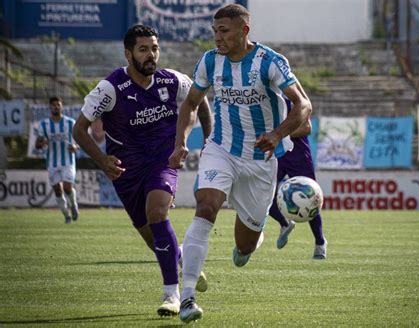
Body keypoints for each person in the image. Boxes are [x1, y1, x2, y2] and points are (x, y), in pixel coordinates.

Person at [168, 4, 312, 323]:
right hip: (221, 149)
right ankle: (186, 296)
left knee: (244, 247)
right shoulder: (209, 61)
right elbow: (191, 104)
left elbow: (304, 105)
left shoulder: (269, 62)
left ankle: (247, 245)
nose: (218, 37)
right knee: (206, 207)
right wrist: (180, 143)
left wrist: (276, 134)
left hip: (261, 161)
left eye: (225, 31)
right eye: (214, 31)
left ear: (244, 30)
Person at [72, 25, 212, 317]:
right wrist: (102, 159)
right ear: (128, 54)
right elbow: (80, 130)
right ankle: (185, 259)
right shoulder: (110, 88)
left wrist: (208, 143)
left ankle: (173, 295)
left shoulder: (173, 80)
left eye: (155, 48)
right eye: (143, 49)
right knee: (154, 237)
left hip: (163, 160)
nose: (151, 55)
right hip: (125, 171)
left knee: (158, 213)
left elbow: (200, 104)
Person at [269, 96, 327, 259]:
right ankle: (284, 223)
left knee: (310, 198)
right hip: (276, 155)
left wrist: (278, 135)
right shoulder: (264, 98)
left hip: (298, 155)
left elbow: (307, 128)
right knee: (263, 195)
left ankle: (320, 243)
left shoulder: (293, 98)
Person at [35, 96, 79, 224]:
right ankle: (66, 214)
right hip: (52, 162)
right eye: (53, 105)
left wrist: (75, 147)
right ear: (50, 107)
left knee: (67, 187)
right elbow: (37, 145)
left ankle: (73, 205)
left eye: (58, 104)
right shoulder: (44, 125)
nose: (56, 107)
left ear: (62, 106)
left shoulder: (70, 123)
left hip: (68, 161)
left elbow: (79, 142)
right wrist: (43, 142)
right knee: (58, 191)